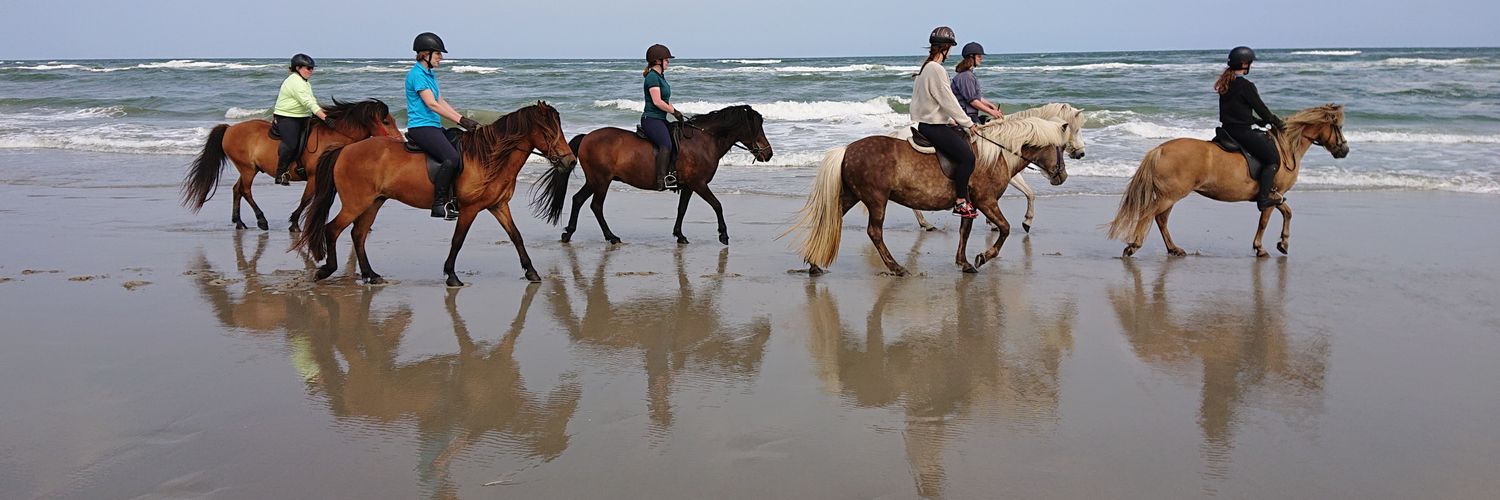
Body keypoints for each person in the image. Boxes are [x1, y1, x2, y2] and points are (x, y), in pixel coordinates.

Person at [405, 32, 481, 220]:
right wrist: (460, 121)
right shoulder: (417, 75)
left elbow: (440, 100)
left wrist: (463, 120)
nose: (441, 57)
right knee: (451, 157)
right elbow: (432, 104)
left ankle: (454, 196)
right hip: (421, 127)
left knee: (461, 148)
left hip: (433, 125)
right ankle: (439, 204)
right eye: (438, 53)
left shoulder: (429, 74)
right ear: (425, 54)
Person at [911, 27, 979, 219]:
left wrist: (949, 120)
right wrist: (967, 123)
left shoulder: (927, 67)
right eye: (951, 48)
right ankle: (960, 202)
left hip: (930, 123)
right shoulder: (936, 69)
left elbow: (930, 101)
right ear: (946, 48)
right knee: (968, 158)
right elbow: (947, 100)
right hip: (933, 127)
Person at [1215, 46, 1286, 211]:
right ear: (1245, 64)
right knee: (1273, 160)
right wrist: (1276, 122)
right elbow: (1261, 108)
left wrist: (1256, 121)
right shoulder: (1246, 85)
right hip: (1242, 132)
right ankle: (1264, 199)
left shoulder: (1225, 83)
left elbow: (1234, 111)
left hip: (1227, 131)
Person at [272, 54, 332, 185]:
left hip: (303, 116)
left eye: (312, 68)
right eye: (308, 68)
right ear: (298, 68)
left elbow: (312, 100)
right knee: (291, 143)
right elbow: (307, 102)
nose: (311, 71)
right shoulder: (294, 81)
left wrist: (324, 114)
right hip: (287, 117)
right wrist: (324, 117)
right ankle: (280, 173)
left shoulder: (304, 82)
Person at [642, 43, 686, 190]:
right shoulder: (652, 78)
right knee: (666, 144)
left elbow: (665, 100)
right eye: (666, 60)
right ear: (657, 61)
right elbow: (657, 102)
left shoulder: (660, 77)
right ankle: (662, 180)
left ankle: (673, 172)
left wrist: (675, 111)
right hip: (651, 119)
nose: (668, 62)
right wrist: (674, 112)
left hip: (660, 119)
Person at [951, 42, 1005, 125]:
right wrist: (991, 112)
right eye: (979, 56)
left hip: (971, 114)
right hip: (967, 116)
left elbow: (976, 97)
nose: (981, 58)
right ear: (971, 57)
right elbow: (973, 101)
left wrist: (990, 105)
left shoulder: (968, 74)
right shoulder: (966, 76)